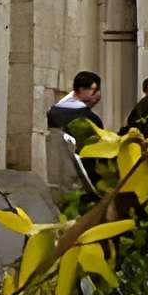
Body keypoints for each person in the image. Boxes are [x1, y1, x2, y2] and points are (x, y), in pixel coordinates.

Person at [45, 71, 105, 211]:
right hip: (80, 181)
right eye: (94, 90)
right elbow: (94, 156)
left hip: (56, 179)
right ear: (82, 90)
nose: (98, 95)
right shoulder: (89, 120)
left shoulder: (53, 113)